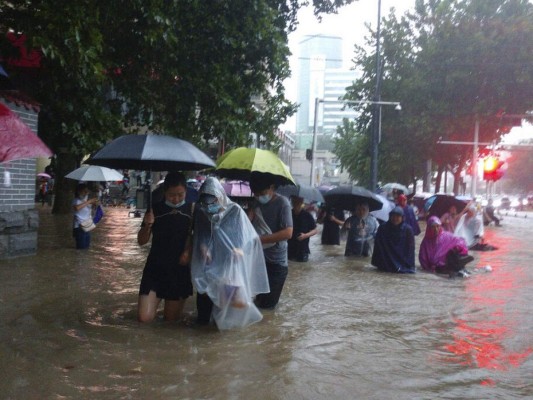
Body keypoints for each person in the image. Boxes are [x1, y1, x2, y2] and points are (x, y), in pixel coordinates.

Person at [190, 177, 269, 329]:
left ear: (220, 197)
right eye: (205, 204)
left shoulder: (235, 211)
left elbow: (247, 236)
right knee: (204, 311)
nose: (209, 207)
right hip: (209, 264)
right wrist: (203, 247)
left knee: (230, 305)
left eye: (213, 203)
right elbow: (201, 235)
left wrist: (240, 249)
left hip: (229, 266)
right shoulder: (201, 211)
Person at [136, 172, 194, 323]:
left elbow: (198, 237)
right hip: (155, 268)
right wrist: (147, 226)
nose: (176, 199)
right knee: (144, 318)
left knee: (170, 322)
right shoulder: (154, 209)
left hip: (179, 270)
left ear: (186, 191)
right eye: (171, 195)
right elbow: (141, 241)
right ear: (165, 192)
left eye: (180, 195)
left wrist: (188, 252)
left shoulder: (192, 210)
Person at [249, 179, 293, 309]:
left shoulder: (282, 203)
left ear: (272, 187)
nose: (259, 196)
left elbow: (288, 233)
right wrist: (248, 218)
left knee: (268, 307)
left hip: (277, 263)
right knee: (258, 303)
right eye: (255, 194)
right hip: (260, 261)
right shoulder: (256, 203)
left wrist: (260, 239)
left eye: (262, 193)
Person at [371, 206, 416, 273]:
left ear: (402, 217)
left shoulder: (408, 230)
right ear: (389, 216)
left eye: (398, 216)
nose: (395, 218)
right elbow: (378, 246)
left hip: (402, 263)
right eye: (393, 216)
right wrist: (378, 262)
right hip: (385, 262)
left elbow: (410, 250)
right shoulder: (383, 228)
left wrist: (409, 265)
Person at [288, 196, 318, 262]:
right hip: (289, 248)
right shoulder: (288, 214)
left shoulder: (307, 215)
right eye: (294, 201)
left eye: (298, 201)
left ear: (302, 202)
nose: (296, 203)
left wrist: (305, 235)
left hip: (303, 249)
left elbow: (315, 230)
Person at [72, 182, 99, 249]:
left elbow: (92, 211)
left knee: (86, 247)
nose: (86, 193)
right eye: (84, 191)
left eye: (87, 191)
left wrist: (95, 204)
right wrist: (89, 202)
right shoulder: (76, 200)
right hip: (79, 226)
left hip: (87, 225)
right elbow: (77, 208)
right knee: (81, 248)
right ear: (79, 191)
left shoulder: (86, 200)